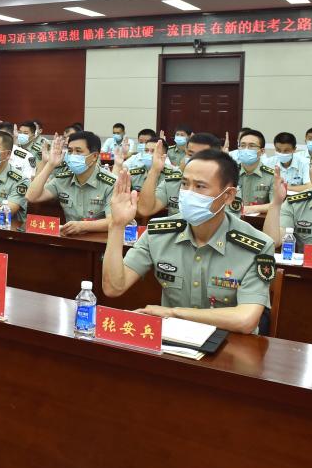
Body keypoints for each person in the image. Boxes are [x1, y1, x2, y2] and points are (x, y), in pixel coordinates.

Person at [103, 149, 275, 334]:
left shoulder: (257, 246)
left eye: (200, 186)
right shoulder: (159, 233)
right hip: (173, 340)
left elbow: (245, 320)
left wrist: (173, 313)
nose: (188, 193)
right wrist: (116, 226)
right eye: (185, 184)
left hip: (230, 342)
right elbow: (114, 288)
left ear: (228, 196)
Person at [26, 132, 116, 234]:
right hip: (71, 238)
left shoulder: (111, 183)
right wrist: (50, 164)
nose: (73, 155)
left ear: (94, 156)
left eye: (78, 151)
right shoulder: (64, 179)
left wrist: (83, 226)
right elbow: (31, 197)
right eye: (70, 151)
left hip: (101, 239)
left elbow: (113, 221)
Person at [138, 132, 222, 218]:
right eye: (190, 154)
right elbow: (145, 209)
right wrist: (155, 170)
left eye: (202, 156)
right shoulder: (173, 182)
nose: (194, 160)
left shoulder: (223, 186)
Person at [233, 129, 274, 215]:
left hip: (258, 221)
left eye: (251, 146)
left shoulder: (272, 176)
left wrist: (250, 209)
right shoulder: (229, 172)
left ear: (262, 151)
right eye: (242, 145)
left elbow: (275, 204)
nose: (246, 149)